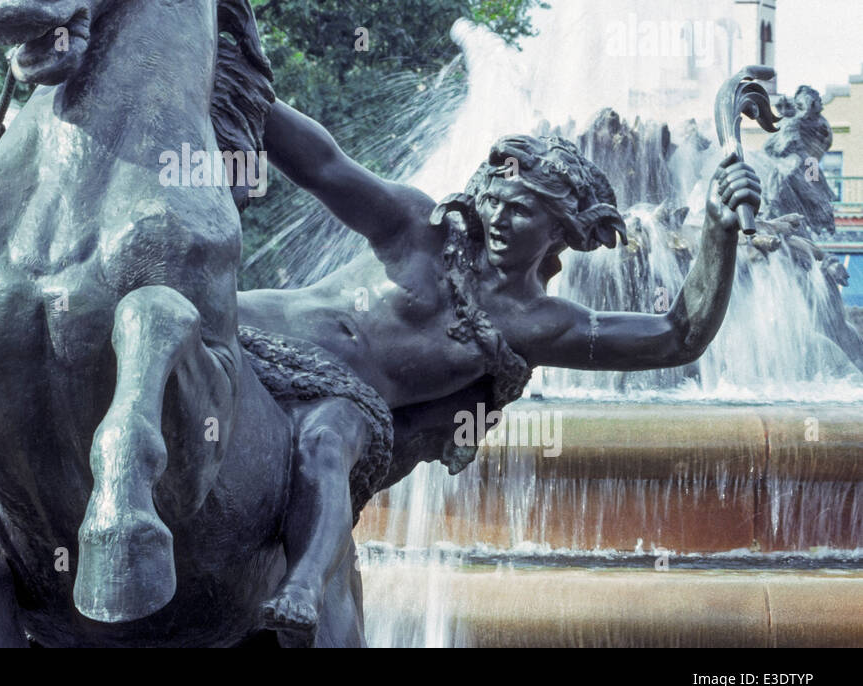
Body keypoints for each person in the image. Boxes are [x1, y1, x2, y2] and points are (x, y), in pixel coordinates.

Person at [239, 100, 762, 645]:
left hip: (335, 407)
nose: (498, 219)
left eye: (521, 211)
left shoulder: (536, 325)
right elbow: (323, 165)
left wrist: (718, 234)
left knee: (329, 439)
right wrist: (243, 84)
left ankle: (303, 588)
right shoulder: (419, 228)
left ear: (560, 229)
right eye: (492, 200)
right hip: (252, 334)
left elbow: (676, 337)